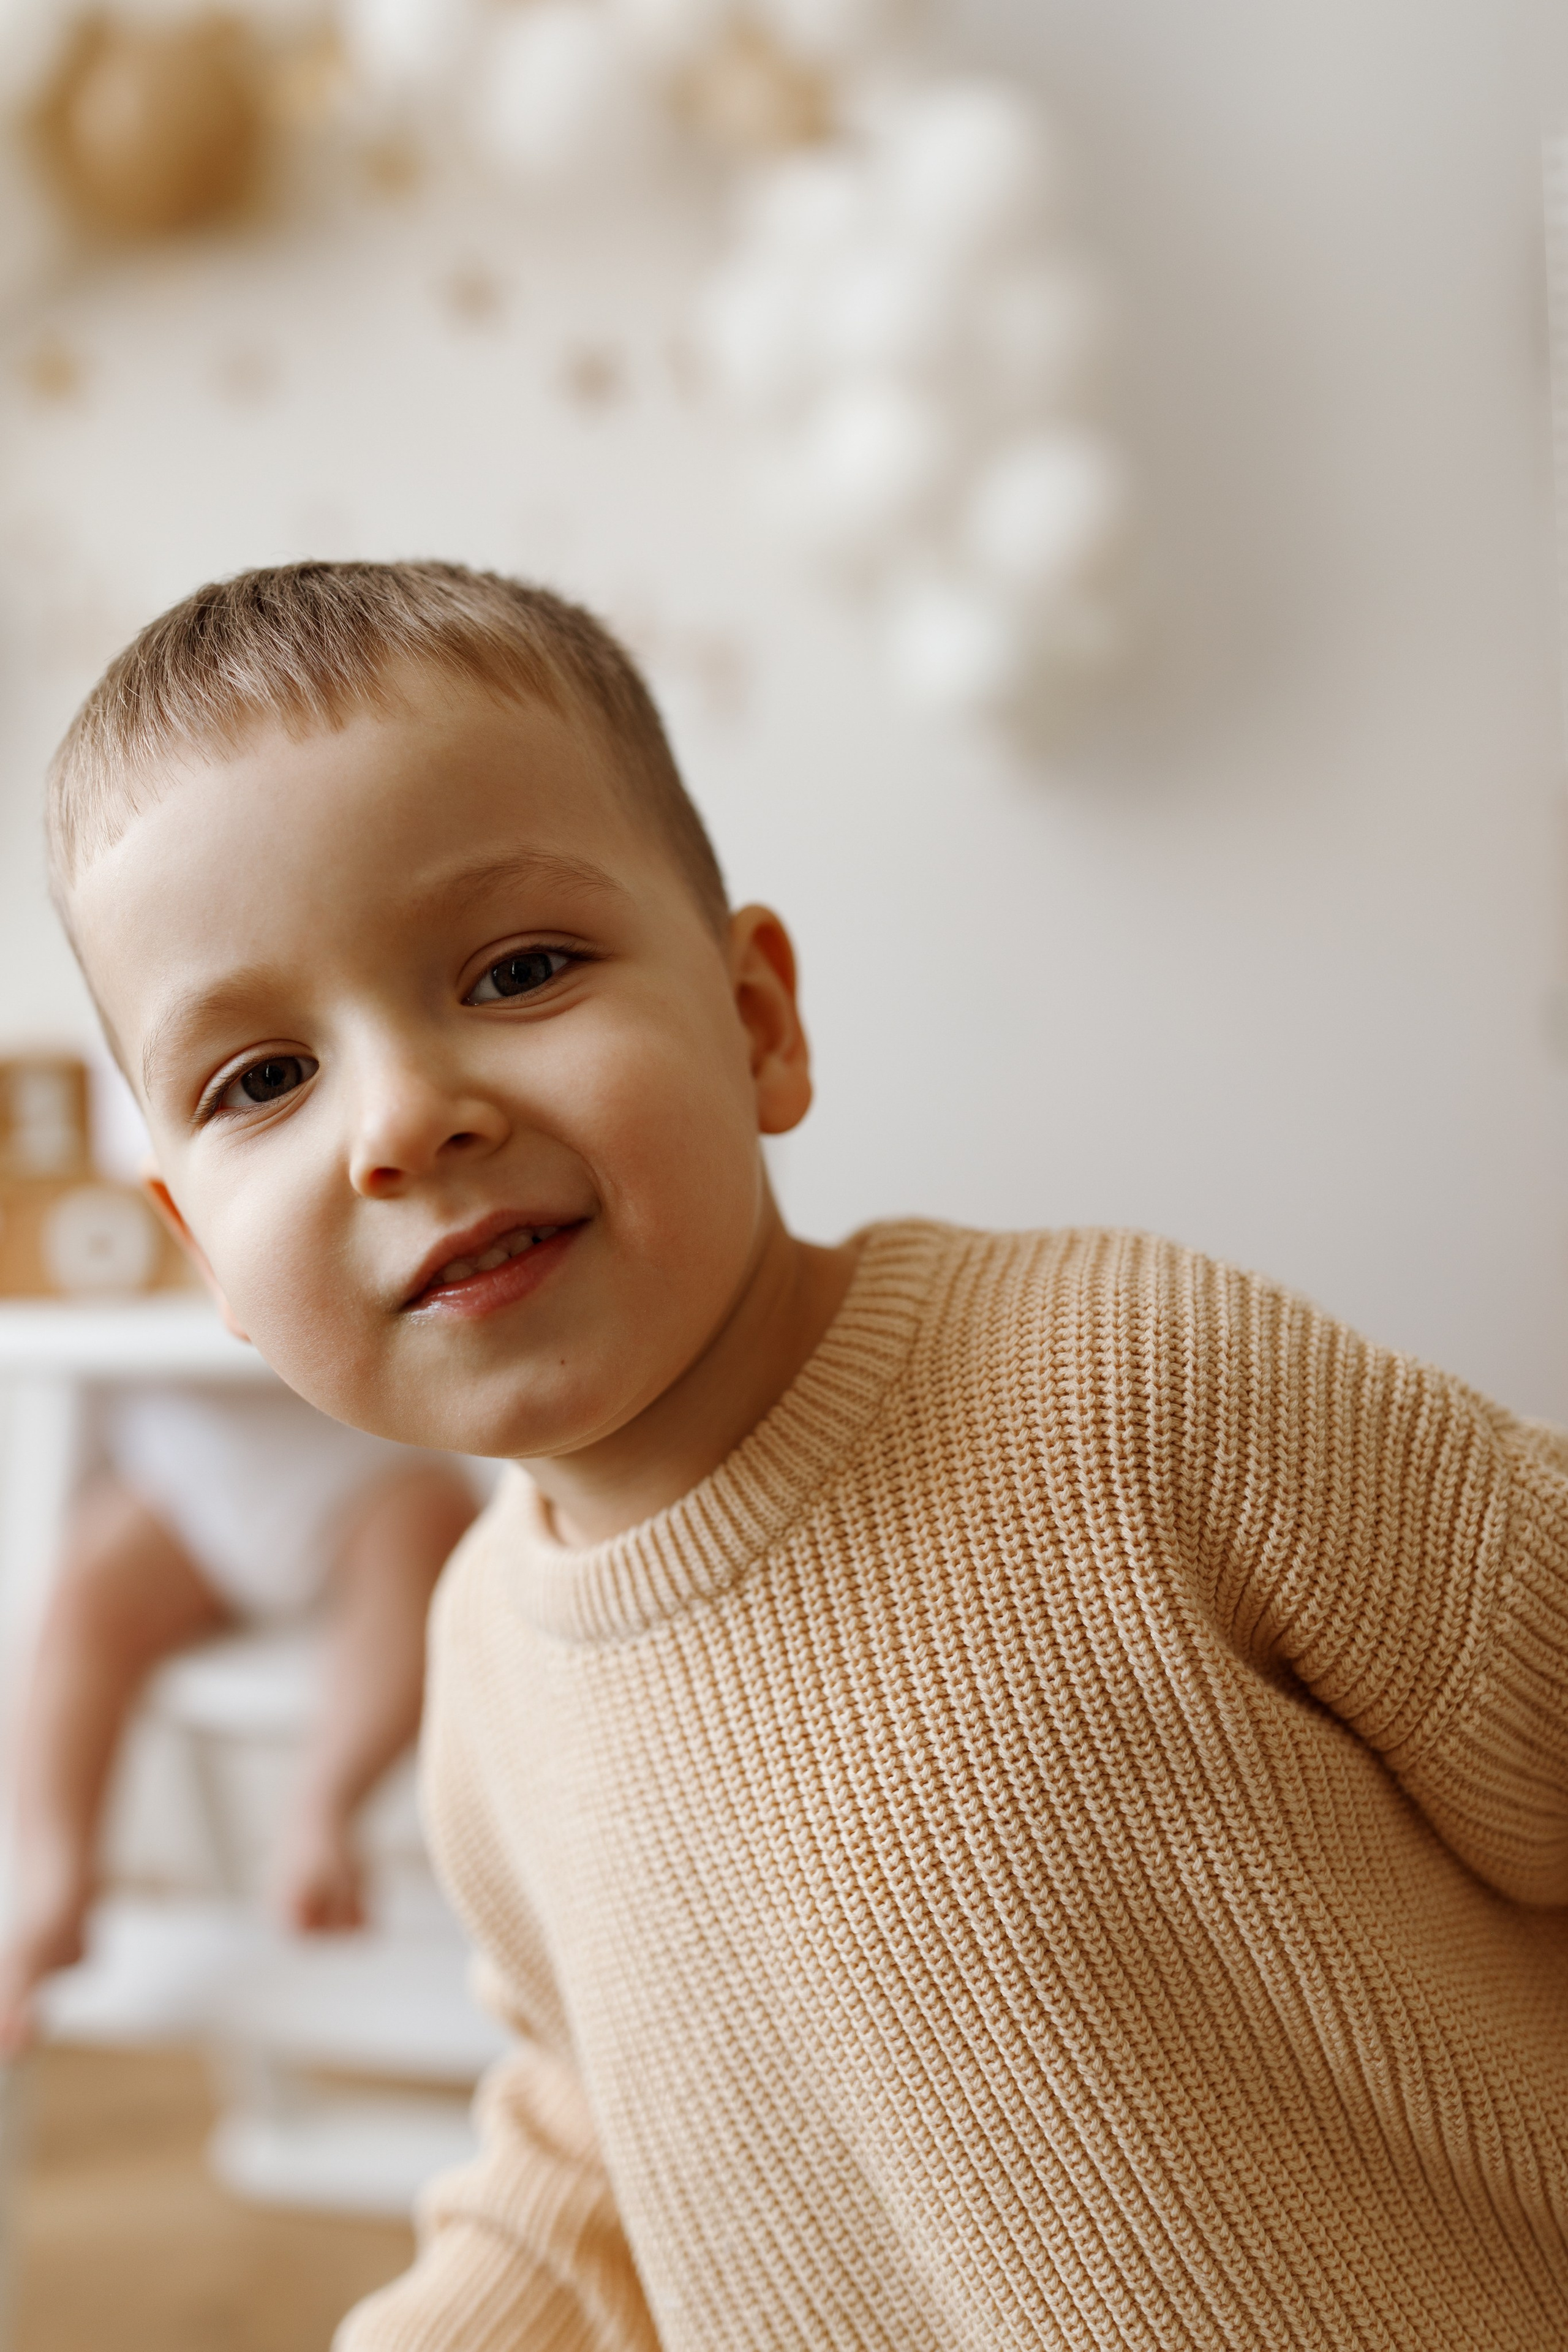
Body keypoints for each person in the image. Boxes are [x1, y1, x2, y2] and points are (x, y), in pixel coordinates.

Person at [38, 557, 1568, 2350]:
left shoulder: (1135, 1385)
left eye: (517, 968)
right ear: (202, 1249)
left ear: (755, 1018)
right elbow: (600, 2137)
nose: (399, 1119)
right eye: (260, 1079)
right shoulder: (480, 1665)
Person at [0, 1384, 480, 2055]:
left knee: (419, 1551)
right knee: (81, 1606)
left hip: (369, 1458)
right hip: (189, 1477)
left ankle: (325, 1809)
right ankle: (55, 1881)